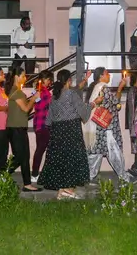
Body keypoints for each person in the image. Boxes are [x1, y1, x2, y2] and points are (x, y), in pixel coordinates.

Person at [38, 70, 96, 200]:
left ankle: (62, 190)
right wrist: (93, 103)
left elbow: (49, 118)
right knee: (72, 158)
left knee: (61, 159)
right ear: (69, 80)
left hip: (57, 130)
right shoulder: (71, 94)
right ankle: (68, 189)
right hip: (71, 129)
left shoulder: (55, 96)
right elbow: (83, 110)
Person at [85, 67, 129, 182]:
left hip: (98, 126)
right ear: (101, 76)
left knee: (96, 152)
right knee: (114, 151)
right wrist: (120, 88)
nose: (109, 75)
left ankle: (88, 176)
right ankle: (123, 176)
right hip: (106, 126)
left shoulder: (97, 87)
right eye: (107, 73)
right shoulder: (103, 88)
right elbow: (115, 103)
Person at [5, 68, 42, 192]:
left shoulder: (17, 92)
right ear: (17, 77)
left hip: (18, 128)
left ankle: (27, 184)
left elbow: (25, 109)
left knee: (24, 157)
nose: (25, 78)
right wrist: (33, 98)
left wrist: (33, 99)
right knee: (20, 157)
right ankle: (0, 177)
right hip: (16, 129)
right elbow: (26, 109)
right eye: (23, 76)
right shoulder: (17, 92)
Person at [31, 70, 53, 183]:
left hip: (38, 123)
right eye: (49, 79)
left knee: (41, 149)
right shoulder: (43, 91)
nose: (50, 82)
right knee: (41, 150)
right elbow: (47, 106)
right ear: (45, 79)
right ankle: (35, 174)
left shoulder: (38, 90)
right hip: (43, 124)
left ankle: (36, 173)